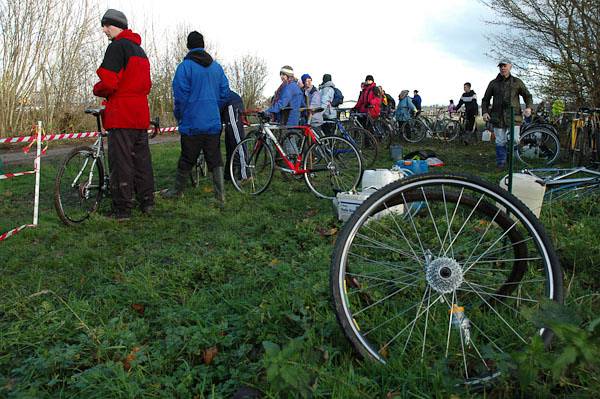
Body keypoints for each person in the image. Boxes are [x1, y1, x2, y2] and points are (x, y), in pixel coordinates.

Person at [93, 9, 154, 221]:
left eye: (106, 25)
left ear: (115, 25)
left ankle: (122, 210)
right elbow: (147, 84)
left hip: (121, 113)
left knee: (121, 163)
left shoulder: (116, 47)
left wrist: (97, 89)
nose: (103, 30)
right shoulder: (140, 50)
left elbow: (109, 82)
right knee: (142, 161)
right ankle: (147, 202)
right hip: (140, 114)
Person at [166, 31, 230, 204]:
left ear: (188, 46)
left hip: (192, 122)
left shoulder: (184, 67)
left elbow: (180, 96)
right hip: (212, 122)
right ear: (203, 45)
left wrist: (180, 115)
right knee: (215, 158)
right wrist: (214, 108)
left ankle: (177, 192)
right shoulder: (216, 67)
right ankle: (220, 196)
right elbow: (225, 93)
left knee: (187, 158)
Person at [482, 59, 533, 168]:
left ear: (510, 67)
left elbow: (527, 95)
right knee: (500, 140)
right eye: (500, 66)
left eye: (505, 66)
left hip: (514, 116)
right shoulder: (493, 83)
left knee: (514, 139)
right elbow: (485, 99)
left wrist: (528, 107)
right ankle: (501, 163)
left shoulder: (517, 82)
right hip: (498, 117)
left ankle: (512, 159)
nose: (502, 68)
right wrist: (485, 112)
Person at [220, 89, 246, 180]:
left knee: (237, 140)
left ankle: (245, 175)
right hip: (225, 105)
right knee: (230, 143)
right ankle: (228, 175)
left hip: (231, 104)